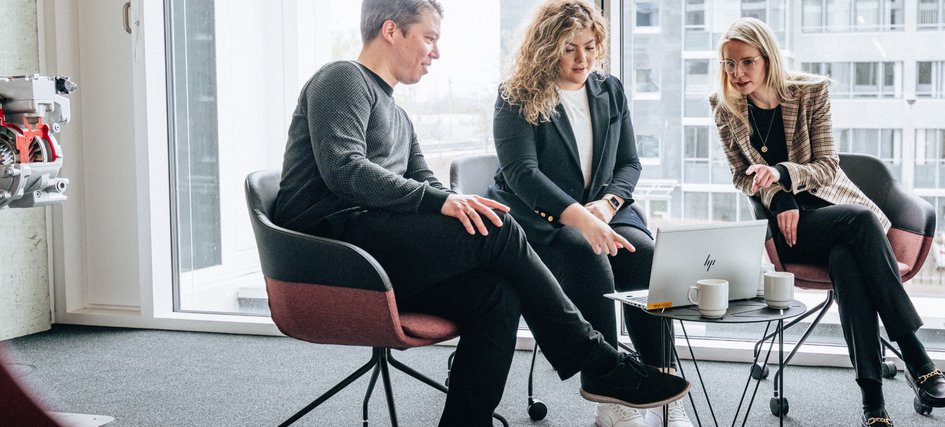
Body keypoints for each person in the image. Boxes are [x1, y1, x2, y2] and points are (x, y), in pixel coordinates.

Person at [270, 1, 688, 425]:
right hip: (330, 252)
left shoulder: (397, 113)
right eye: (429, 38)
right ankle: (598, 361)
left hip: (378, 252)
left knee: (495, 296)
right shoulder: (342, 79)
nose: (435, 52)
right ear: (391, 31)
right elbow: (344, 169)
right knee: (500, 226)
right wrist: (443, 203)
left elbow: (425, 180)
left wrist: (455, 203)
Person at [708, 18, 945, 427]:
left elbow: (826, 165)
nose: (736, 74)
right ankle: (918, 358)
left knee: (846, 258)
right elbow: (741, 176)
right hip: (790, 230)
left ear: (768, 58)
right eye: (728, 64)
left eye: (746, 62)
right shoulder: (724, 107)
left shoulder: (809, 92)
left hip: (833, 214)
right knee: (861, 224)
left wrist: (785, 174)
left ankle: (873, 404)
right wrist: (780, 197)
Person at [487, 1, 690, 426]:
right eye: (569, 48)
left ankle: (660, 380)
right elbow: (521, 174)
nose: (583, 59)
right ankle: (610, 390)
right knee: (588, 254)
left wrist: (607, 204)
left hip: (605, 211)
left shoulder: (609, 89)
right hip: (539, 222)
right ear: (546, 48)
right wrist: (581, 216)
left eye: (590, 46)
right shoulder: (516, 95)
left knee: (650, 258)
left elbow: (630, 163)